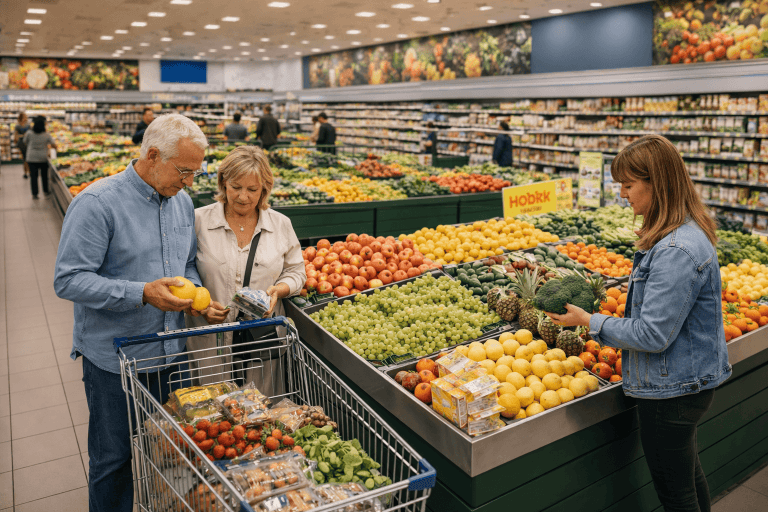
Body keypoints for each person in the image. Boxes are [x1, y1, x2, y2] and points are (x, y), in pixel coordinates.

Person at [545, 134, 731, 512]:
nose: (623, 195)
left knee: (676, 494)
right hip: (683, 382)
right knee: (688, 477)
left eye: (628, 186)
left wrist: (589, 320)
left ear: (656, 183)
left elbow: (652, 334)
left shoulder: (676, 249)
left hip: (672, 392)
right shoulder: (679, 233)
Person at [54, 113, 224, 512]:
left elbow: (185, 264)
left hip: (171, 354)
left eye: (195, 173)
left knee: (171, 452)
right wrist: (142, 293)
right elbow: (69, 280)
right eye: (185, 171)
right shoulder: (97, 204)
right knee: (114, 462)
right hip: (116, 362)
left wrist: (196, 295)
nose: (190, 183)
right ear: (152, 155)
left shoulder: (181, 203)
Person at [186, 145, 306, 388]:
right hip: (212, 340)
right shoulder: (198, 220)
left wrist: (278, 290)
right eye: (235, 187)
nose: (243, 197)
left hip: (259, 342)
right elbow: (184, 268)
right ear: (223, 183)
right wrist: (201, 305)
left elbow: (296, 272)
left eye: (252, 189)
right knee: (214, 413)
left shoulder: (280, 224)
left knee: (260, 410)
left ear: (264, 188)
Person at [22, 116, 57, 199]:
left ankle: (35, 194)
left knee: (33, 176)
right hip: (43, 158)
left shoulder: (29, 133)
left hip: (31, 157)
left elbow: (24, 142)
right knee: (44, 176)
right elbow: (54, 145)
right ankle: (46, 191)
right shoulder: (46, 135)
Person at [14, 111, 30, 179]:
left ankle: (27, 172)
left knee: (27, 158)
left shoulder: (28, 125)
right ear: (21, 118)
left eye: (26, 117)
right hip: (22, 144)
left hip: (28, 143)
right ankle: (26, 172)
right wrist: (22, 136)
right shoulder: (17, 126)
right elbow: (16, 135)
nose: (26, 118)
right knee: (25, 158)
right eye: (24, 117)